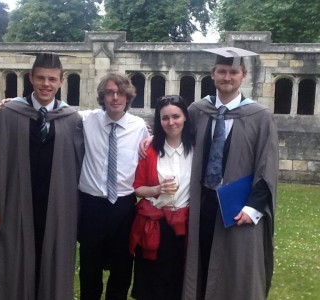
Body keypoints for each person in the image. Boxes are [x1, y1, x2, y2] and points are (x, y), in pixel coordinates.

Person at [140, 47, 278, 300]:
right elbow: (174, 132)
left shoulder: (259, 116)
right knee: (200, 262)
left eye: (233, 72)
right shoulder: (198, 110)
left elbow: (267, 165)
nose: (227, 77)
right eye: (222, 71)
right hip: (202, 202)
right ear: (213, 74)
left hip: (239, 205)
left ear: (243, 76)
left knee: (236, 267)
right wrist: (151, 138)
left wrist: (252, 208)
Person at [0, 53, 84, 300]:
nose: (46, 84)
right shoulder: (10, 114)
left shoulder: (72, 119)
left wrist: (143, 133)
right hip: (16, 203)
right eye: (40, 78)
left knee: (53, 260)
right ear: (31, 78)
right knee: (12, 258)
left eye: (52, 79)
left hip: (57, 207)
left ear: (61, 81)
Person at [77, 72, 150, 300]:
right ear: (102, 96)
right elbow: (52, 111)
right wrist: (15, 103)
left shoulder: (139, 127)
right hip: (91, 206)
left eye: (120, 93)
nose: (115, 97)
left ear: (128, 97)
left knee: (122, 268)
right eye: (109, 92)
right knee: (90, 267)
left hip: (124, 207)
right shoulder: (86, 120)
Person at [129, 95, 194, 300]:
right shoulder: (148, 150)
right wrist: (157, 189)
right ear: (159, 120)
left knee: (180, 282)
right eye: (165, 118)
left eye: (176, 116)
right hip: (156, 225)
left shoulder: (197, 149)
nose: (171, 122)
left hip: (185, 226)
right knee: (154, 286)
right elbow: (138, 188)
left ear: (185, 117)